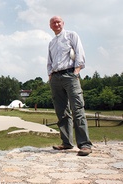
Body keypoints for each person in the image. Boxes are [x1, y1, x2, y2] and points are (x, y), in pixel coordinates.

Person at [47, 16, 92, 156]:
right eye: (53, 22)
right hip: (55, 77)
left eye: (58, 21)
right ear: (50, 26)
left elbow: (79, 52)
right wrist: (50, 75)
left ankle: (84, 145)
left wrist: (77, 71)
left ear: (63, 23)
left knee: (77, 109)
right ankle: (66, 143)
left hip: (70, 75)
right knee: (61, 112)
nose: (56, 24)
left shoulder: (71, 35)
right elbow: (49, 61)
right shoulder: (51, 42)